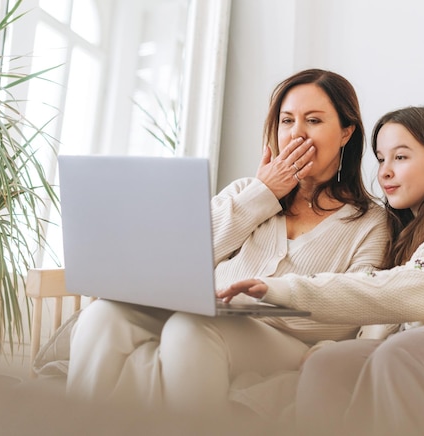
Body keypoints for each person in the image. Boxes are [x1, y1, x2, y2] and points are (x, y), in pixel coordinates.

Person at [66, 69, 389, 419]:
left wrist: (332, 353)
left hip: (286, 339)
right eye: (286, 120)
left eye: (313, 120)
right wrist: (263, 193)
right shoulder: (245, 194)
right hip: (211, 314)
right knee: (103, 315)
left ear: (345, 132)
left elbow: (363, 301)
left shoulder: (370, 221)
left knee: (191, 329)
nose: (296, 133)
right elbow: (183, 257)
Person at [218, 104, 424, 435]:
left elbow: (413, 293)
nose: (385, 171)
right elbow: (383, 309)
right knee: (327, 364)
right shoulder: (401, 239)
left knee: (397, 357)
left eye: (400, 157)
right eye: (381, 159)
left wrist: (284, 289)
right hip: (414, 343)